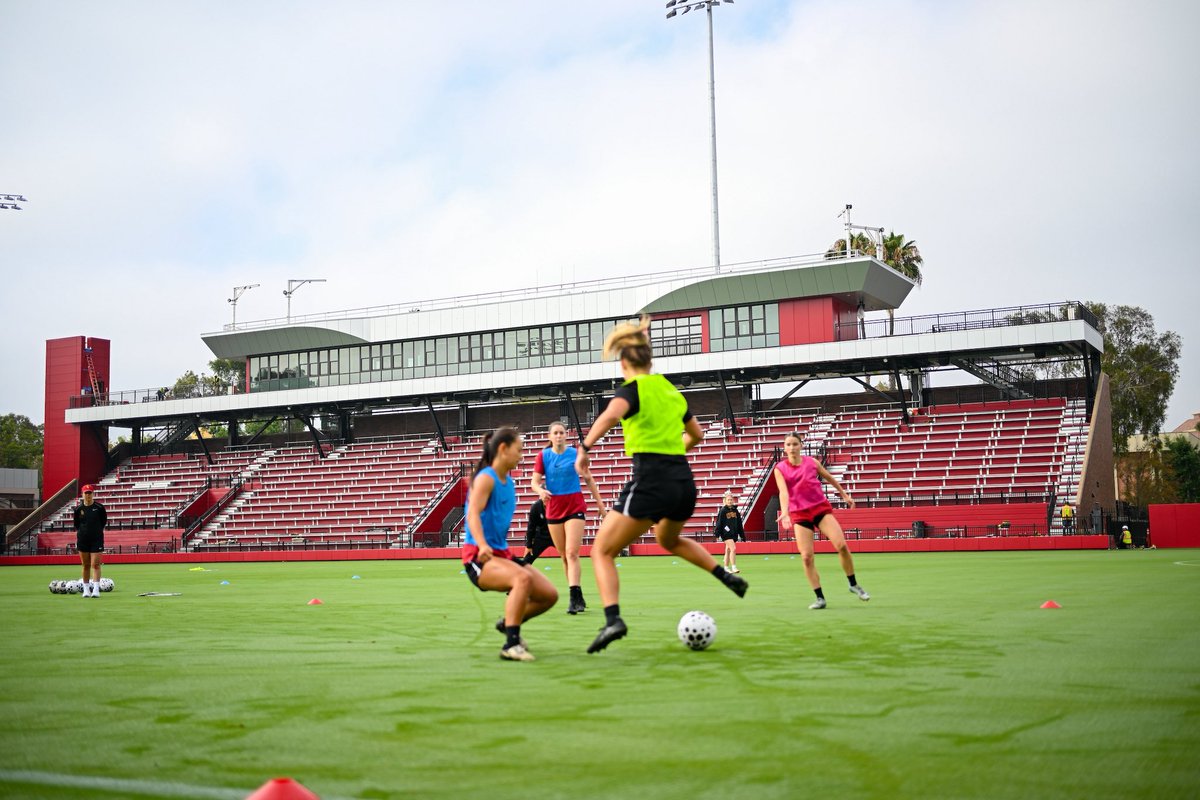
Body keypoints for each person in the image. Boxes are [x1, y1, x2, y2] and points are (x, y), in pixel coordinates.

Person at [576, 315, 748, 654]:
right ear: (650, 360)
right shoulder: (671, 392)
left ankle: (613, 619)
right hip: (683, 483)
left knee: (601, 550)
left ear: (624, 363)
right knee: (668, 539)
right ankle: (725, 575)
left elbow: (610, 415)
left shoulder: (632, 390)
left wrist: (584, 449)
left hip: (651, 480)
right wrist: (673, 452)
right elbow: (696, 434)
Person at [462, 426, 559, 661]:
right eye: (519, 450)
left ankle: (508, 623)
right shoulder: (486, 478)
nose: (522, 456)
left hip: (501, 554)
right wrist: (482, 544)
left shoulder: (510, 483)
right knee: (522, 579)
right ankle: (511, 644)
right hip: (478, 557)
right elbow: (472, 514)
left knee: (549, 595)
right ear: (503, 449)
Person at [774, 432, 870, 609]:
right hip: (799, 514)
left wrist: (844, 495)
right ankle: (820, 598)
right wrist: (785, 512)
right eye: (788, 444)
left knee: (841, 545)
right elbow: (783, 492)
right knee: (806, 557)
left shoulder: (812, 462)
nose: (792, 447)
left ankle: (853, 583)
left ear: (801, 445)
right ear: (784, 448)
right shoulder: (780, 468)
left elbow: (830, 478)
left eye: (795, 444)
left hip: (819, 509)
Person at [531, 421, 608, 614]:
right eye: (555, 433)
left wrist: (600, 505)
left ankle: (574, 599)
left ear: (566, 435)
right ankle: (577, 594)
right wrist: (540, 491)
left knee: (572, 552)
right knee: (564, 556)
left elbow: (588, 478)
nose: (559, 436)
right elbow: (534, 482)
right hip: (554, 508)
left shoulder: (575, 454)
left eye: (562, 432)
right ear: (550, 436)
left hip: (574, 507)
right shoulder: (543, 456)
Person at [72, 484, 107, 598]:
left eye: (90, 493)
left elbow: (103, 522)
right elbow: (77, 524)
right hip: (83, 540)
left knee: (95, 564)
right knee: (85, 565)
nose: (88, 495)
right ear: (82, 494)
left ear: (93, 494)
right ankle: (86, 590)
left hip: (97, 539)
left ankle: (96, 590)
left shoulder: (99, 508)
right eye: (86, 493)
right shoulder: (78, 509)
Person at [517, 498, 555, 566]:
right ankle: (519, 572)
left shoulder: (558, 504)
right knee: (527, 559)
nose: (546, 499)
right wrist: (529, 545)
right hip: (541, 536)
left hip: (557, 535)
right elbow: (531, 526)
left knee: (569, 555)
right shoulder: (536, 506)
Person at [714, 491, 745, 573]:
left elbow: (739, 523)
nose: (730, 501)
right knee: (733, 549)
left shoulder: (735, 511)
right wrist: (717, 533)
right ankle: (734, 567)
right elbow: (719, 522)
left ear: (733, 500)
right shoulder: (723, 510)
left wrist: (742, 535)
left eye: (731, 500)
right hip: (726, 534)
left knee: (727, 551)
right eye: (728, 500)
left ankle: (726, 568)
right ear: (725, 501)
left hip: (733, 533)